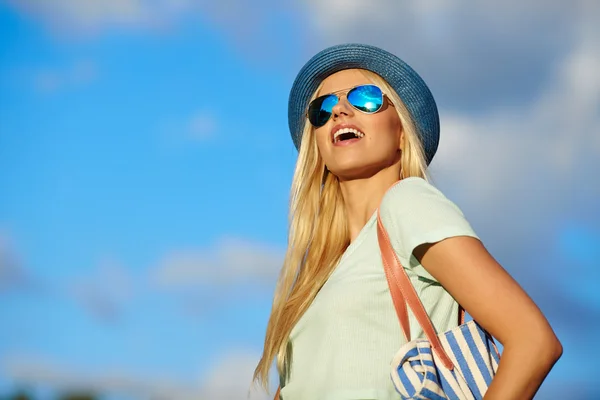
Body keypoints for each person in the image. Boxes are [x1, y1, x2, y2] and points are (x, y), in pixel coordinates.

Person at [253, 44, 562, 399]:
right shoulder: (317, 279)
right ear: (317, 147)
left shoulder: (407, 204)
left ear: (402, 131)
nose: (338, 110)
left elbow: (533, 341)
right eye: (322, 109)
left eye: (365, 98)